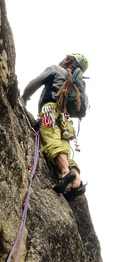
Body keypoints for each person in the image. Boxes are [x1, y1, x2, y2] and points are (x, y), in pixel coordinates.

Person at [21, 53, 89, 198]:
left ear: (68, 60)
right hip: (65, 120)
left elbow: (36, 82)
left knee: (51, 141)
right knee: (64, 148)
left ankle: (65, 172)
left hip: (50, 111)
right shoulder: (74, 83)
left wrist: (24, 98)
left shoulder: (56, 69)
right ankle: (77, 182)